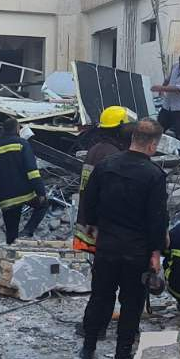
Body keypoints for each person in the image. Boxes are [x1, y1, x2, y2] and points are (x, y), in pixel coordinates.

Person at [78, 118, 169, 359]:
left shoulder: (106, 165)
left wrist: (93, 226)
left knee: (100, 297)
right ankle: (121, 358)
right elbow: (157, 218)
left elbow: (89, 200)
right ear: (152, 145)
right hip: (136, 252)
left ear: (132, 139)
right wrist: (156, 252)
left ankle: (88, 347)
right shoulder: (154, 175)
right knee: (131, 304)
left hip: (106, 247)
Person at [72, 105, 133, 253]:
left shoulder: (96, 149)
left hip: (86, 226)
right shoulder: (113, 155)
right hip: (102, 231)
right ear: (121, 129)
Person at [0, 117, 48, 244]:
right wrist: (41, 192)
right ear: (17, 129)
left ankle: (11, 257)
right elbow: (32, 172)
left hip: (6, 199)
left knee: (11, 235)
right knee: (43, 205)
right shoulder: (22, 144)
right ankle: (27, 231)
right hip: (25, 194)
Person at [153, 52, 180, 143]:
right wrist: (161, 90)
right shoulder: (175, 66)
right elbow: (167, 79)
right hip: (167, 106)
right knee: (157, 130)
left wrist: (161, 88)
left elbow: (177, 89)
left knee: (179, 136)